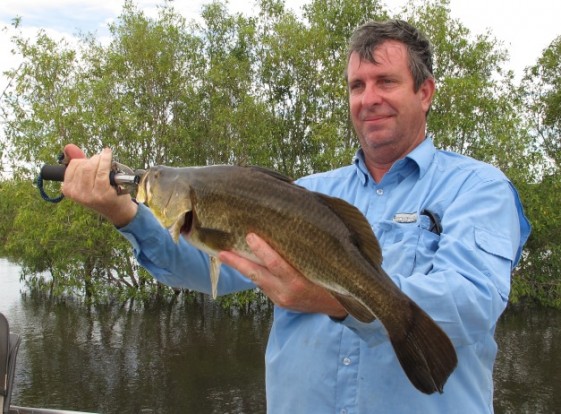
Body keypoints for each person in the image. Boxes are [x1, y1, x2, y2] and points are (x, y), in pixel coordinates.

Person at [62, 19, 530, 413]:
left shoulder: (479, 188)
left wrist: (335, 299)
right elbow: (198, 266)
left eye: (386, 82)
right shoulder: (307, 193)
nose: (369, 99)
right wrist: (121, 211)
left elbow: (472, 303)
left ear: (424, 92)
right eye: (357, 86)